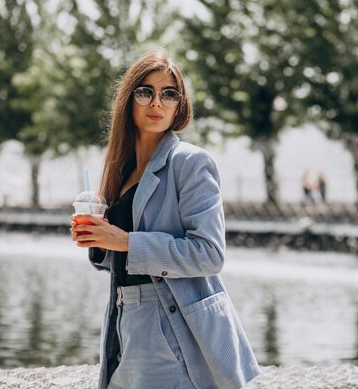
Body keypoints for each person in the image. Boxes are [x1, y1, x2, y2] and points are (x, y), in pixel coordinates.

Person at [70, 49, 260, 389]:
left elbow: (209, 254)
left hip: (166, 323)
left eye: (168, 94)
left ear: (179, 105)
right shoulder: (122, 171)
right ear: (129, 100)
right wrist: (99, 242)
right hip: (122, 319)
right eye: (145, 92)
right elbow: (119, 265)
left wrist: (125, 241)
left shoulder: (190, 163)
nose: (157, 102)